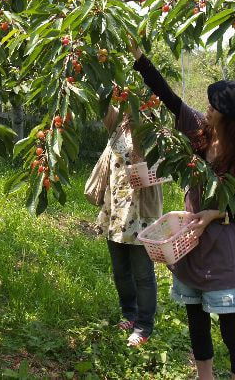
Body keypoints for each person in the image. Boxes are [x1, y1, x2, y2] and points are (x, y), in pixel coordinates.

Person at [129, 36, 235, 379]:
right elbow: (170, 98)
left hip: (223, 257)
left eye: (215, 105)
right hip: (189, 248)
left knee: (231, 328)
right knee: (196, 320)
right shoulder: (199, 135)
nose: (207, 107)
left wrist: (218, 215)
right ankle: (203, 375)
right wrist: (139, 57)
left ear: (230, 118)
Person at [96, 104, 163, 347]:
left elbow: (164, 168)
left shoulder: (153, 132)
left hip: (141, 212)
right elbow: (100, 100)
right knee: (121, 270)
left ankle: (144, 324)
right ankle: (129, 313)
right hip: (115, 210)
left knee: (143, 273)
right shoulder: (117, 126)